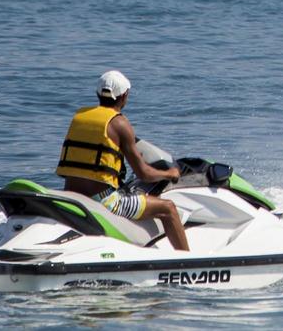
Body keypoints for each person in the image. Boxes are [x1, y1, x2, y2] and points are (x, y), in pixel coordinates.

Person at [56, 69, 189, 251]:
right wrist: (169, 173)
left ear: (98, 93)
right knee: (169, 208)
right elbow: (144, 173)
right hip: (105, 201)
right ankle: (185, 261)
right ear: (124, 96)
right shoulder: (119, 123)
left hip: (71, 193)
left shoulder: (80, 117)